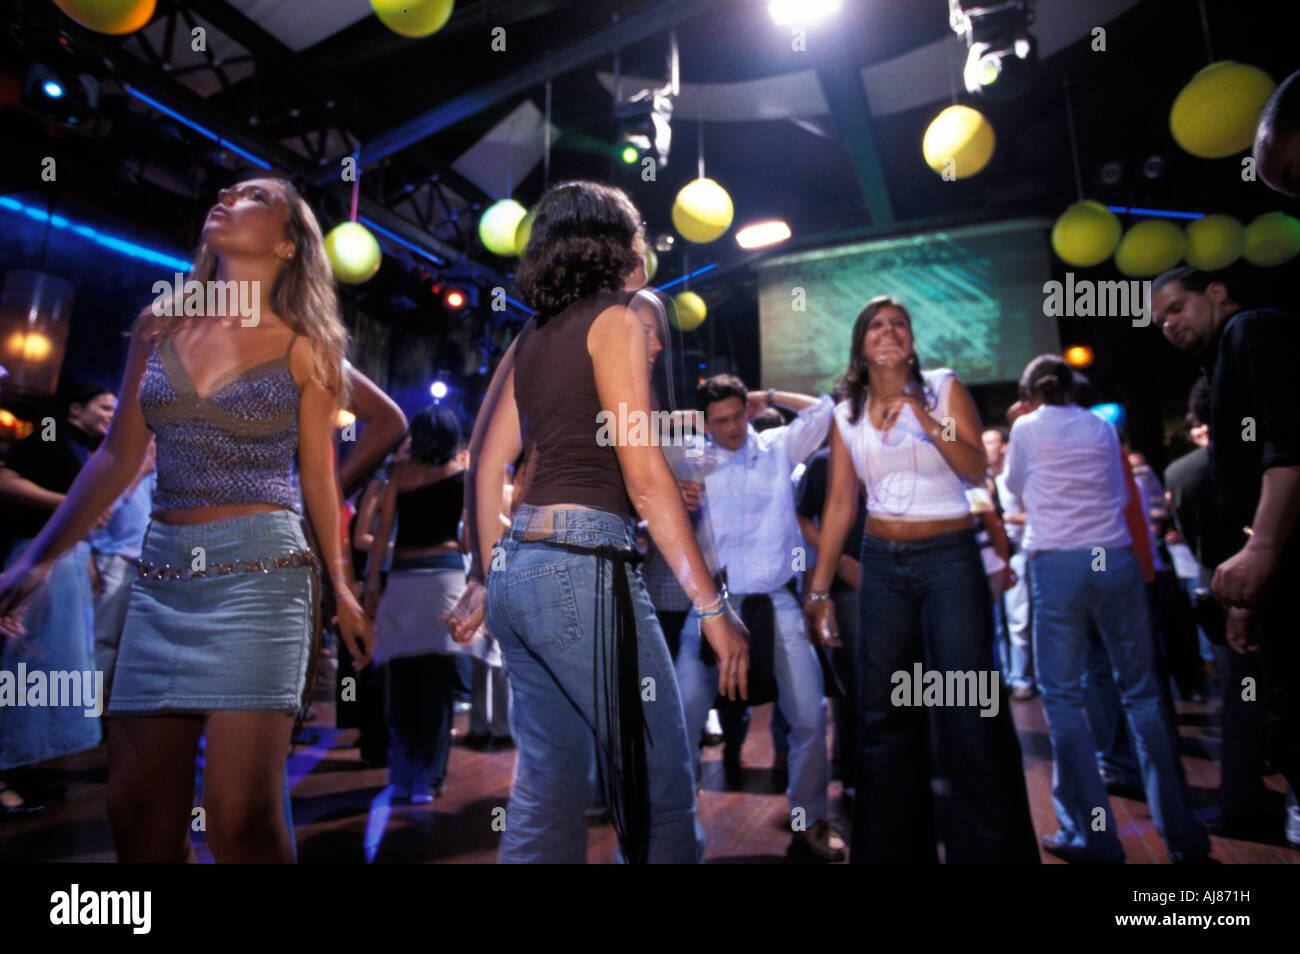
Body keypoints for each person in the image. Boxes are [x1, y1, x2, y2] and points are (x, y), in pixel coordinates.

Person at [0, 176, 373, 862]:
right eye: (228, 188)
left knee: (240, 821)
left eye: (256, 196)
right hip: (162, 576)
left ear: (289, 243)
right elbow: (116, 458)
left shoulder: (308, 345)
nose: (229, 193)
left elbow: (318, 478)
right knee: (136, 812)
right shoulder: (161, 323)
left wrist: (343, 586)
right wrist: (40, 557)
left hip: (260, 582)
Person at [451, 180, 748, 864]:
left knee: (547, 786)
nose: (646, 239)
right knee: (659, 788)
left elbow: (485, 462)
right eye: (638, 226)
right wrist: (712, 606)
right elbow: (643, 475)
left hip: (520, 572)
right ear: (613, 240)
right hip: (581, 569)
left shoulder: (533, 332)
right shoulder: (616, 318)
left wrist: (482, 574)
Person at [804, 295, 1037, 863]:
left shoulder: (941, 387)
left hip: (949, 559)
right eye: (877, 325)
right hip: (883, 566)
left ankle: (991, 853)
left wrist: (920, 410)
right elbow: (838, 506)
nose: (889, 331)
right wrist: (818, 589)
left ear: (911, 341)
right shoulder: (845, 414)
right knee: (883, 718)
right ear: (861, 344)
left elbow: (974, 467)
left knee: (970, 710)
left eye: (899, 324)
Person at [1004, 354, 1212, 864]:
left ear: (1029, 394)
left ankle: (1091, 836)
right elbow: (1121, 495)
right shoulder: (1100, 427)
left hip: (1058, 560)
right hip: (1113, 558)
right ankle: (1184, 839)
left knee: (1063, 700)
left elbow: (1010, 488)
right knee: (1143, 696)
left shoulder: (1026, 427)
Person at [1152, 265, 1300, 832]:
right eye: (1160, 319)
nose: (1168, 324)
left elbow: (1288, 445)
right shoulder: (1223, 359)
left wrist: (1262, 548)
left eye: (1176, 308)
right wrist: (1246, 596)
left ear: (1214, 293)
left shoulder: (1251, 331)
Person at [673, 373, 845, 861]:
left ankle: (807, 821)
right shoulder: (691, 460)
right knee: (682, 718)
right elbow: (637, 440)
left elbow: (828, 411)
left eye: (736, 416)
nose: (731, 427)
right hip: (712, 607)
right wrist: (681, 498)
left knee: (810, 715)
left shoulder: (776, 447)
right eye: (719, 421)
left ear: (746, 412)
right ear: (705, 424)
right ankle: (677, 830)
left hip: (777, 600)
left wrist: (767, 397)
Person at [0, 381, 116, 817]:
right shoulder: (50, 431)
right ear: (74, 408)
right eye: (103, 406)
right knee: (24, 666)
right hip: (35, 555)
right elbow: (6, 477)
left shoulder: (85, 447)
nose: (109, 415)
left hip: (64, 559)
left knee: (51, 668)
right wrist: (70, 504)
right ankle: (7, 772)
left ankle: (26, 763)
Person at [363, 406, 474, 803]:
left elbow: (380, 535)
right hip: (444, 580)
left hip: (404, 582)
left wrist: (372, 581)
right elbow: (466, 541)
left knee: (404, 680)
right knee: (438, 684)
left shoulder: (399, 476)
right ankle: (429, 779)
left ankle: (404, 774)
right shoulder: (463, 479)